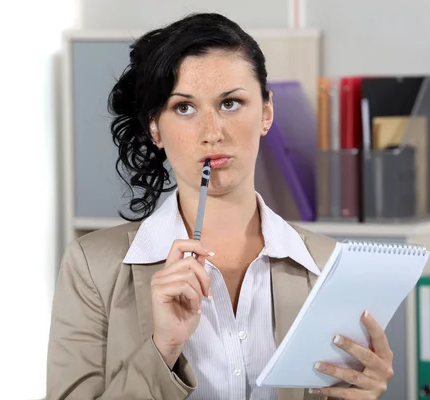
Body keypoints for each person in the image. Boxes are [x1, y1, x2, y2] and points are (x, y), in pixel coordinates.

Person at [46, 12, 394, 400]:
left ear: (266, 112)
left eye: (230, 103)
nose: (212, 133)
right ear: (155, 128)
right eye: (184, 108)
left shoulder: (329, 265)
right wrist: (163, 350)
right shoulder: (92, 268)